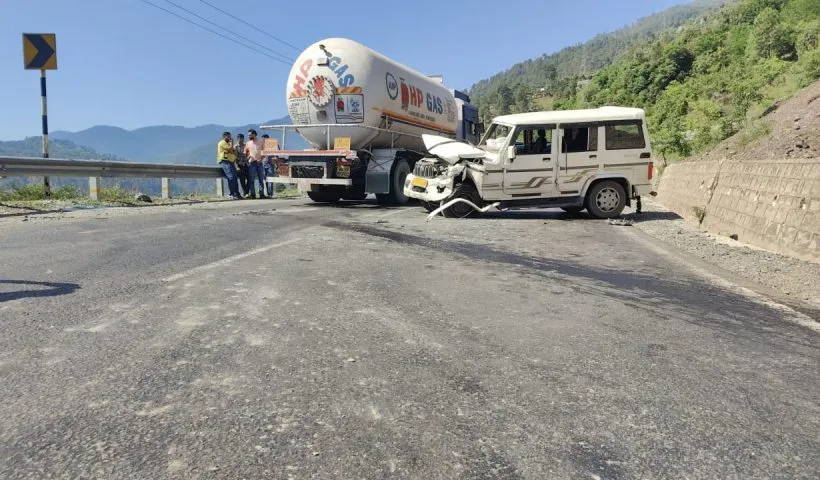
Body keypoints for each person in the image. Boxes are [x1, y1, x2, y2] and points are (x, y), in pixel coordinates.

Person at [244, 129, 267, 199]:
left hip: (259, 162)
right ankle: (253, 194)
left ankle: (261, 194)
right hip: (252, 163)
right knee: (251, 179)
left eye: (250, 135)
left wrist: (261, 159)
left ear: (254, 134)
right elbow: (245, 152)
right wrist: (248, 157)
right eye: (248, 135)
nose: (248, 136)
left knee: (261, 179)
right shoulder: (248, 143)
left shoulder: (261, 141)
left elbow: (265, 152)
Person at [217, 131, 240, 199]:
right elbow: (230, 149)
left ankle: (237, 193)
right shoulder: (222, 142)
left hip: (231, 161)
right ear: (224, 137)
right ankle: (231, 194)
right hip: (225, 161)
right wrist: (232, 142)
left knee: (235, 177)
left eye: (230, 136)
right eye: (228, 136)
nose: (230, 138)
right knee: (231, 177)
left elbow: (233, 151)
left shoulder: (228, 143)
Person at [234, 133, 249, 198]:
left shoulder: (246, 145)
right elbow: (234, 157)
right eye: (239, 138)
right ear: (237, 139)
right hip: (240, 164)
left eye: (242, 138)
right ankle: (245, 193)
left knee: (250, 179)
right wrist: (236, 166)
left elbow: (248, 153)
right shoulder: (235, 147)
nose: (241, 140)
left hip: (247, 164)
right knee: (242, 180)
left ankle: (246, 192)